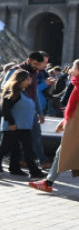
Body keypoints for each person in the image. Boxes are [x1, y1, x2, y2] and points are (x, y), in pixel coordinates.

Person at [0, 70, 45, 180]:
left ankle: (29, 171)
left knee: (25, 149)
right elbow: (5, 109)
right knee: (3, 148)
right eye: (27, 79)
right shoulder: (12, 92)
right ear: (20, 80)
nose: (29, 81)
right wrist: (11, 123)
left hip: (23, 126)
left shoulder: (22, 92)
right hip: (14, 127)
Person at [30, 59, 79, 192]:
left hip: (76, 131)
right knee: (60, 152)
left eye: (73, 67)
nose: (70, 70)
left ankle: (48, 182)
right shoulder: (76, 85)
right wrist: (65, 122)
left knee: (63, 152)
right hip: (74, 129)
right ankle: (48, 182)